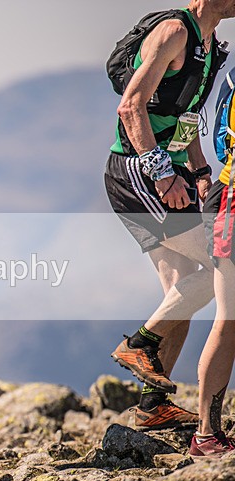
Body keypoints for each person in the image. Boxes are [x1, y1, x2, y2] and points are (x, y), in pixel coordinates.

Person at [105, 1, 233, 430]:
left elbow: (187, 117)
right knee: (223, 264)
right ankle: (139, 343)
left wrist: (198, 172)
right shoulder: (176, 31)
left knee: (182, 291)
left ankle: (152, 405)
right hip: (139, 173)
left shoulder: (211, 44)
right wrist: (162, 175)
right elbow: (130, 106)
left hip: (171, 171)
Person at [190, 65, 235, 457]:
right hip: (231, 202)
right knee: (229, 316)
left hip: (226, 195)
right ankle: (206, 433)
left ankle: (207, 433)